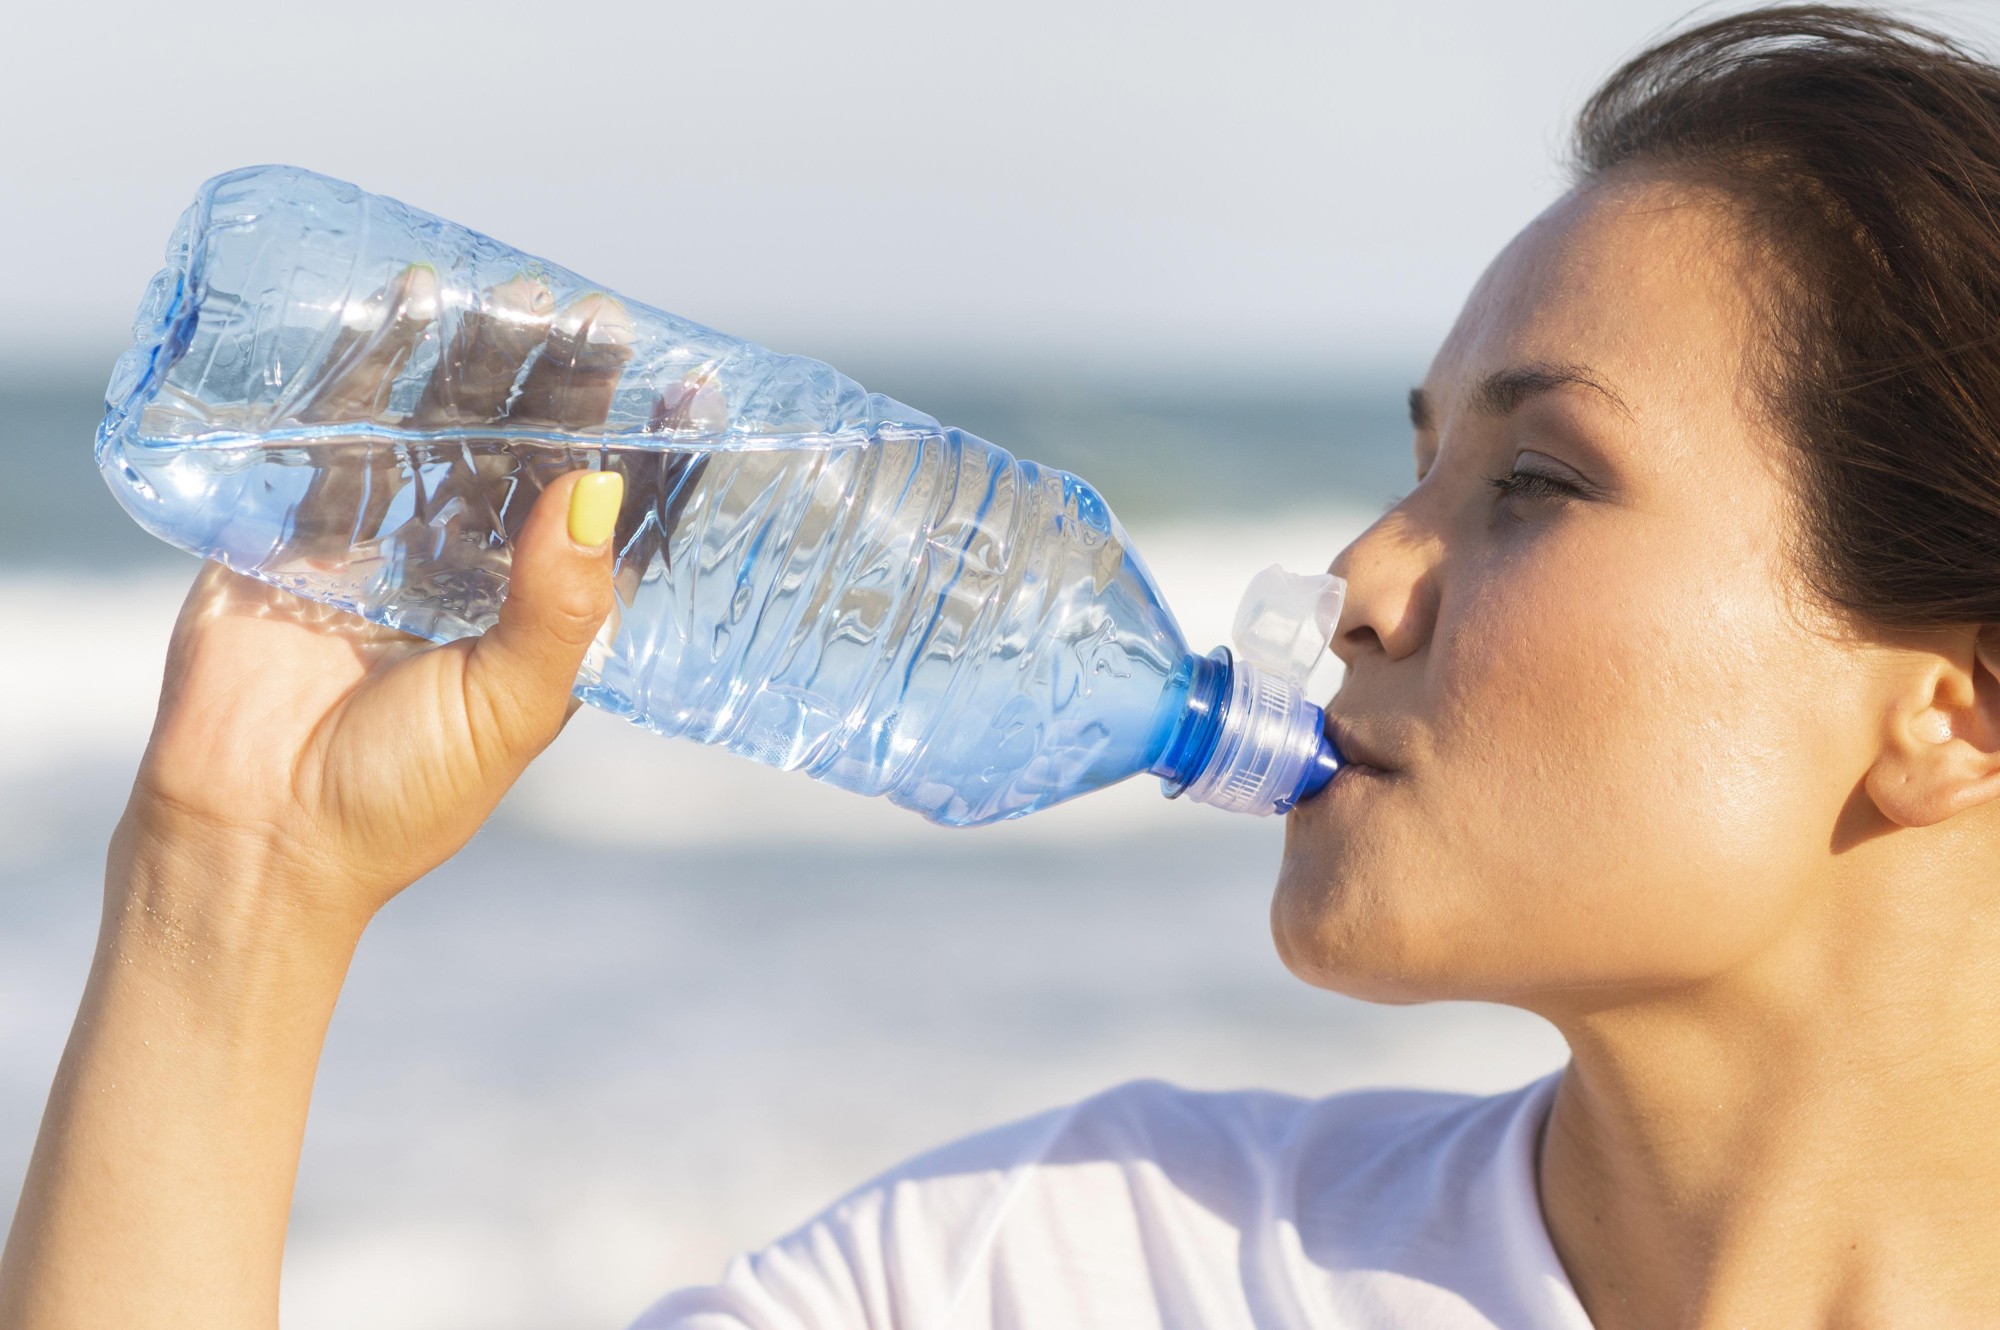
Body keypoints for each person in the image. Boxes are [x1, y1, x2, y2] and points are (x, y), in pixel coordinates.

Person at [7, 4, 2000, 1326]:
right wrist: (234, 886)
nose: (1364, 575)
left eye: (1537, 480)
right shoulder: (1080, 1262)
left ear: (1952, 703)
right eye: (1413, 464)